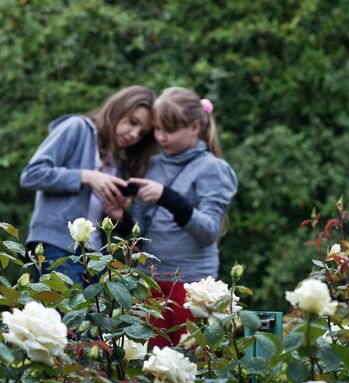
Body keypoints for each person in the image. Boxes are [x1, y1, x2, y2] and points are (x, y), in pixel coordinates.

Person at [106, 87, 238, 347]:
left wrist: (166, 196)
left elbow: (209, 230)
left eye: (170, 130)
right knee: (149, 369)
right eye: (157, 129)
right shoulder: (151, 166)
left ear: (195, 127)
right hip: (148, 284)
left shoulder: (213, 169)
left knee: (193, 366)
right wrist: (120, 217)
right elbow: (139, 240)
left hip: (193, 287)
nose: (162, 137)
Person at [20, 85, 156, 285]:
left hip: (95, 257)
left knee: (91, 317)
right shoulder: (77, 127)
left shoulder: (117, 164)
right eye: (133, 122)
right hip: (56, 246)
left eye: (142, 132)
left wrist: (115, 213)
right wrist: (86, 176)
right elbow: (31, 175)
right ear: (118, 109)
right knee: (62, 315)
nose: (134, 134)